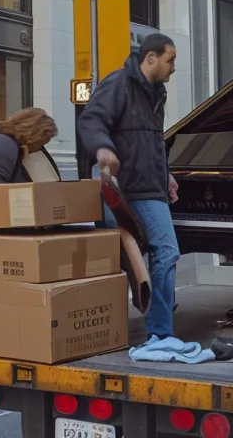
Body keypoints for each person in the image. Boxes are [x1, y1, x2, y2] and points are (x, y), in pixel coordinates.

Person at [78, 33, 179, 340]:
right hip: (128, 192)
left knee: (149, 258)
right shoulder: (118, 83)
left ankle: (151, 328)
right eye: (170, 60)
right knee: (165, 252)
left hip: (149, 187)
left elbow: (150, 143)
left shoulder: (155, 93)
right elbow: (91, 121)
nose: (173, 67)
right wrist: (103, 149)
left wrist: (167, 174)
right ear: (151, 58)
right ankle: (159, 333)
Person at [0, 107, 60, 185]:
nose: (38, 149)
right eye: (40, 143)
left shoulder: (10, 145)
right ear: (33, 136)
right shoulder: (2, 144)